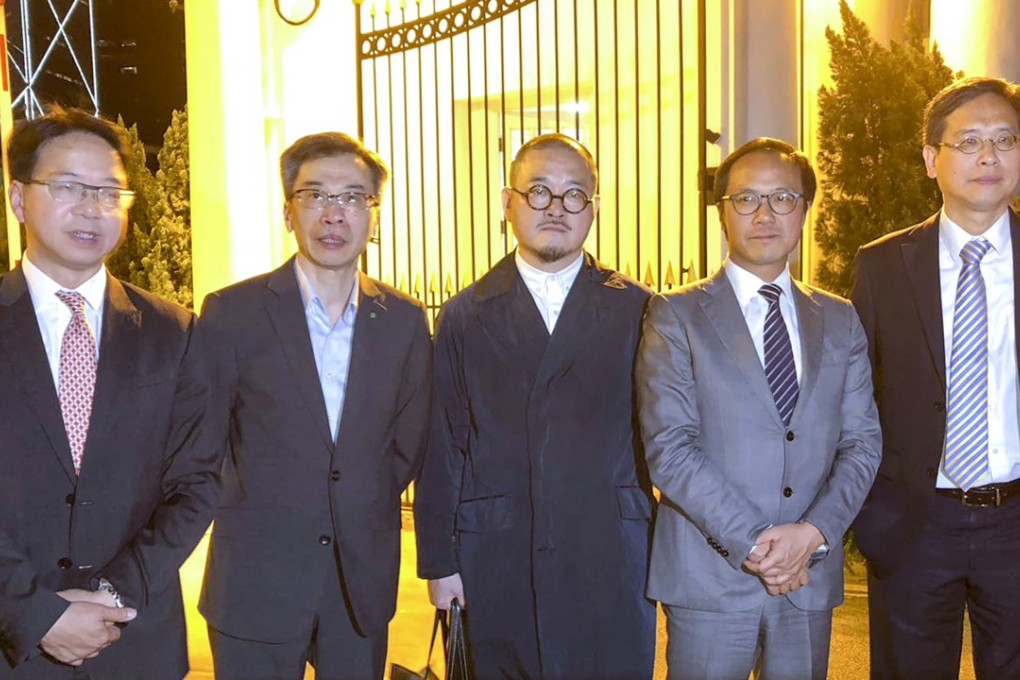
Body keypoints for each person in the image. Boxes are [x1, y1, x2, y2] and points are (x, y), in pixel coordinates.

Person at [636, 137, 882, 680]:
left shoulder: (840, 320)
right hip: (709, 579)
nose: (765, 214)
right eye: (746, 199)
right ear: (723, 213)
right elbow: (670, 448)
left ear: (804, 211)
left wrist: (813, 534)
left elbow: (862, 443)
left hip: (808, 580)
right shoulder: (675, 316)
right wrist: (757, 544)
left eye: (783, 198)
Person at [414, 133, 656, 679]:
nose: (556, 208)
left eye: (575, 195)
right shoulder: (464, 316)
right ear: (508, 203)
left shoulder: (637, 309)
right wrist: (439, 562)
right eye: (539, 191)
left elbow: (666, 435)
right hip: (498, 550)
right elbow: (443, 446)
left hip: (608, 550)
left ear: (593, 207)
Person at [198, 132, 432, 680]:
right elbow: (206, 445)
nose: (335, 214)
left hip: (359, 587)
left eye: (353, 197)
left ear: (373, 214)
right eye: (316, 196)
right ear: (288, 211)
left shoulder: (403, 320)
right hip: (255, 579)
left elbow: (407, 446)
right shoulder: (232, 314)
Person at [0, 106, 220, 679]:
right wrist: (33, 613)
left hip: (134, 638)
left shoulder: (176, 331)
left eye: (109, 192)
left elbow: (195, 483)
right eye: (68, 186)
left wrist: (107, 594)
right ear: (19, 198)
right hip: (10, 644)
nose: (91, 207)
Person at [851, 76, 1020, 679]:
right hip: (916, 522)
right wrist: (871, 512)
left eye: (1005, 140)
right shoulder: (881, 266)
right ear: (931, 159)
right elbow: (856, 399)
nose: (988, 157)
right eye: (969, 140)